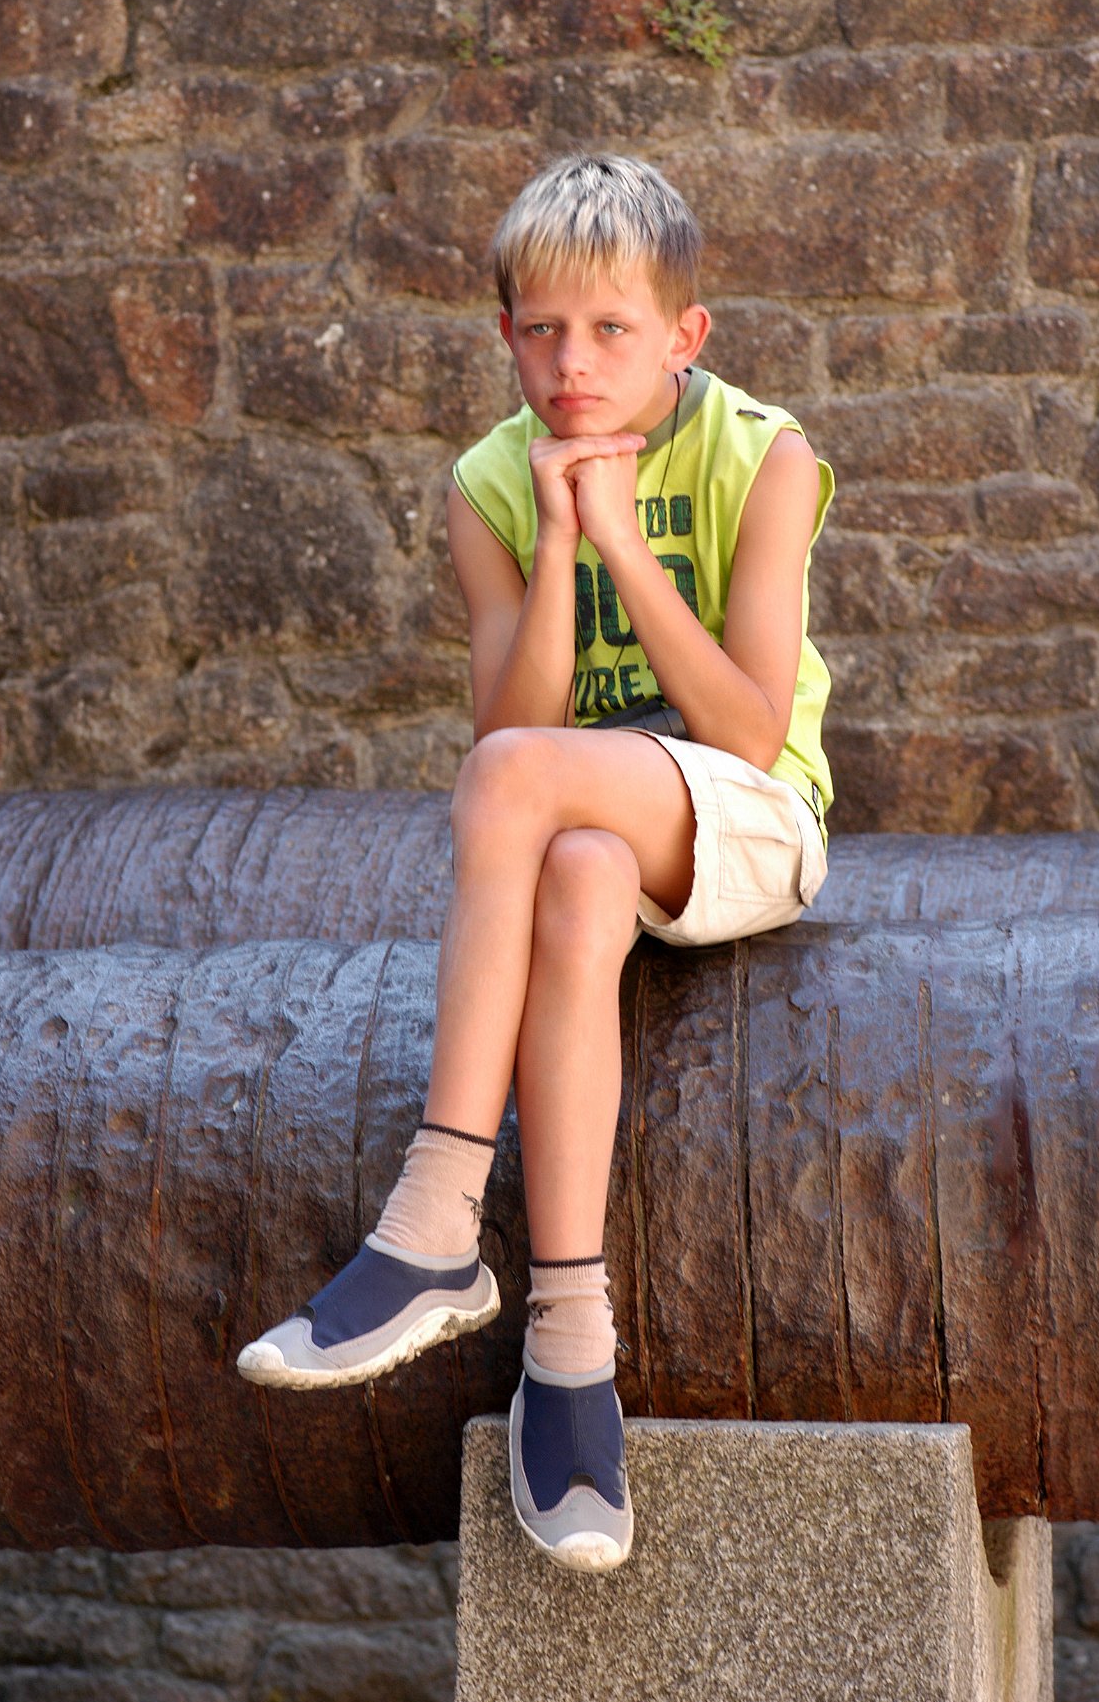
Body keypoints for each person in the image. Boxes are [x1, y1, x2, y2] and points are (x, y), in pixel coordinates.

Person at [238, 152, 834, 1574]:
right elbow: (516, 721)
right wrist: (560, 530)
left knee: (523, 788)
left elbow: (749, 732)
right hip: (589, 817)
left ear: (683, 334)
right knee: (569, 869)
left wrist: (624, 541)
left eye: (612, 330)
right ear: (504, 333)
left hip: (747, 817)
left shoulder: (762, 453)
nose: (573, 365)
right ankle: (569, 1354)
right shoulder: (488, 483)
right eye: (542, 331)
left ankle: (435, 1217)